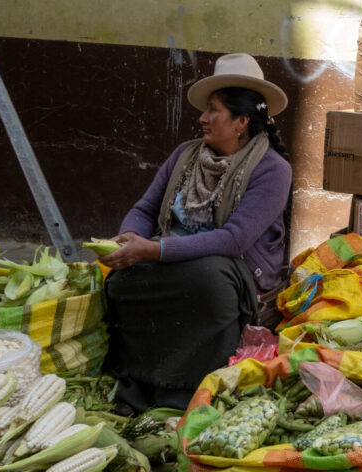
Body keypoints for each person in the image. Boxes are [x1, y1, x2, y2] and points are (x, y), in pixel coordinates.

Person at [101, 53, 292, 412]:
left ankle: (186, 390)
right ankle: (137, 385)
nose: (202, 118)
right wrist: (129, 238)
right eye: (206, 109)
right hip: (170, 254)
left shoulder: (273, 170)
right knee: (122, 280)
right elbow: (144, 210)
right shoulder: (184, 155)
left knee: (207, 282)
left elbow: (234, 240)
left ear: (241, 122)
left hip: (232, 269)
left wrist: (153, 250)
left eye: (213, 110)